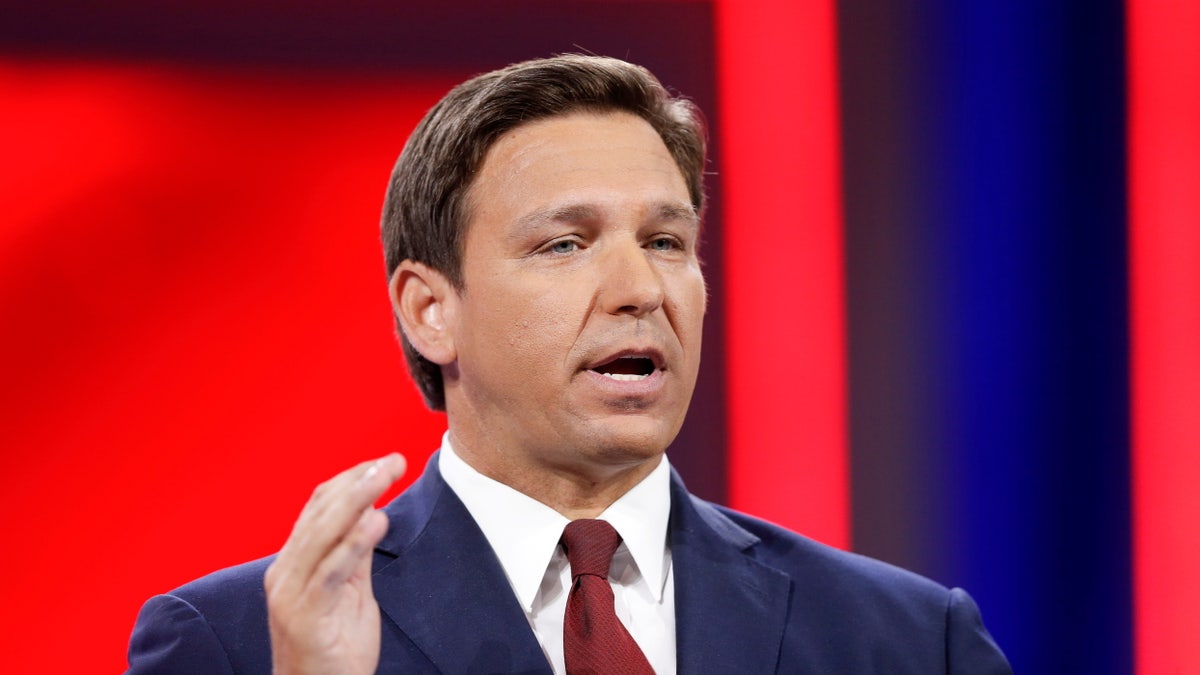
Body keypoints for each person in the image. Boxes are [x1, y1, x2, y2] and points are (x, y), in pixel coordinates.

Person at [126, 54, 1011, 674]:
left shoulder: (904, 639)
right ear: (431, 309)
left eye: (667, 240)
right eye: (565, 243)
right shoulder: (238, 643)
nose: (640, 288)